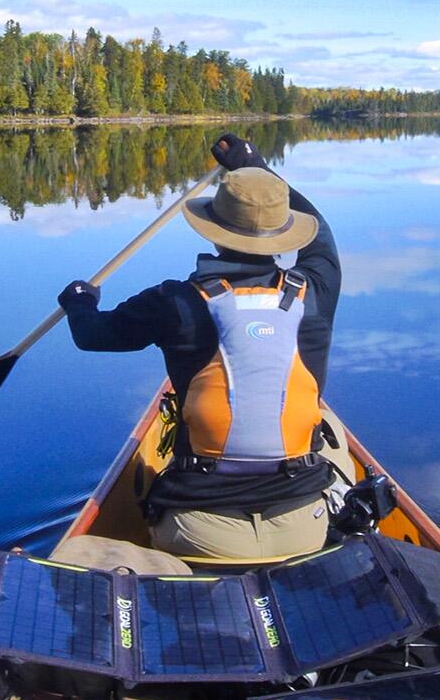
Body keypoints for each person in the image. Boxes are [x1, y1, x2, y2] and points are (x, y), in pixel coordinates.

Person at [57, 132, 343, 561]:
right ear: (285, 233)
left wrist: (79, 301)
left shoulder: (173, 302)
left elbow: (91, 336)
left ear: (215, 232)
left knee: (84, 550)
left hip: (199, 531)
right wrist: (256, 168)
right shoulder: (316, 290)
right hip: (303, 528)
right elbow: (322, 236)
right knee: (333, 436)